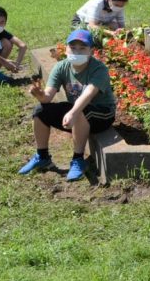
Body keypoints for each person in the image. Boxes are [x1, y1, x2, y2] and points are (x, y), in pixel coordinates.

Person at [18, 29, 115, 181]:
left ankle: (78, 160)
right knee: (40, 111)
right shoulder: (61, 67)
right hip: (78, 112)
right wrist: (39, 94)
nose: (77, 51)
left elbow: (88, 94)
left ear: (91, 51)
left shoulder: (99, 69)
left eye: (82, 48)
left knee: (79, 111)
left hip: (102, 114)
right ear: (66, 48)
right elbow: (47, 98)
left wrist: (72, 112)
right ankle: (42, 156)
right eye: (73, 47)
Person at [0, 6, 28, 85]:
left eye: (2, 22)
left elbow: (23, 45)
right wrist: (5, 62)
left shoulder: (1, 32)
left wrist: (17, 64)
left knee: (7, 43)